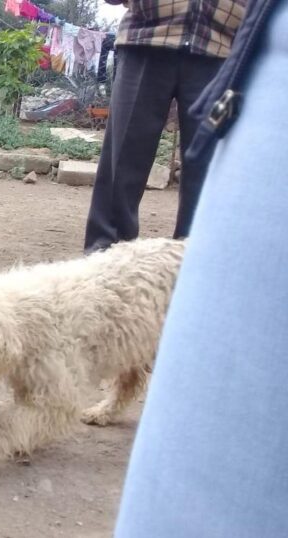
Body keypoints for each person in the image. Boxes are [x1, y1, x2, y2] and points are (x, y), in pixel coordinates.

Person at [115, 0, 288, 535]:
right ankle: (99, 292)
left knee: (207, 193)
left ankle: (181, 303)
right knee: (121, 171)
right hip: (151, 31)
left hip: (222, 41)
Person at [83, 0, 247, 253]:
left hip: (221, 51)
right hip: (145, 39)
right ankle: (104, 253)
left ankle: (195, 259)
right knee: (124, 157)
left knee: (209, 165)